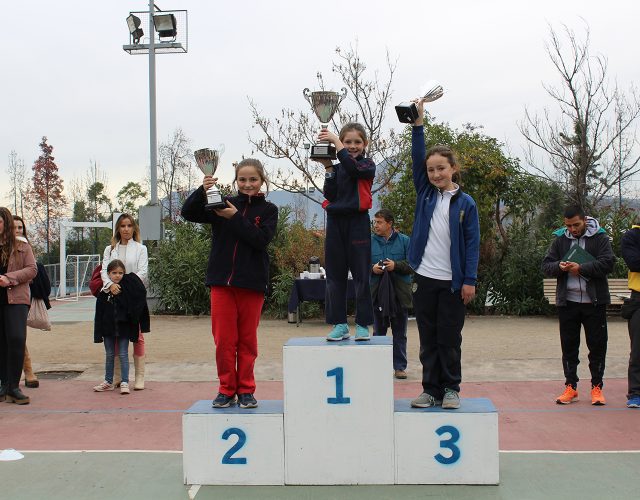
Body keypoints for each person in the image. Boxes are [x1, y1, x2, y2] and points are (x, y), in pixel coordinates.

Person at [181, 158, 278, 409]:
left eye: (253, 179)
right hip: (221, 283)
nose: (248, 184)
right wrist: (203, 189)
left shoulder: (268, 210)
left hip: (252, 284)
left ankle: (246, 390)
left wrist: (234, 217)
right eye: (242, 179)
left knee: (247, 341)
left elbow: (259, 240)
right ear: (236, 181)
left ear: (262, 181)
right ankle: (226, 389)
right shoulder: (221, 204)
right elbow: (188, 213)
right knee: (224, 341)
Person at [408, 99, 480, 410]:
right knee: (428, 340)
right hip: (425, 277)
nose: (436, 174)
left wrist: (469, 280)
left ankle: (451, 389)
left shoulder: (466, 204)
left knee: (449, 339)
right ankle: (430, 390)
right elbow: (416, 158)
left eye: (442, 168)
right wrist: (418, 126)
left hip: (453, 282)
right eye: (431, 170)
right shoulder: (425, 194)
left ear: (453, 169)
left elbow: (473, 244)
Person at [541, 205, 614, 405]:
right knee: (569, 347)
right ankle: (570, 387)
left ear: (585, 220)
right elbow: (546, 265)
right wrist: (559, 267)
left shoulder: (599, 238)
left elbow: (608, 263)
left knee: (597, 347)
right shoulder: (560, 240)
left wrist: (582, 268)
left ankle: (596, 388)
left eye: (576, 225)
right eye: (569, 226)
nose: (573, 229)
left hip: (594, 303)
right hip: (568, 303)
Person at [316, 123, 376, 341]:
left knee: (361, 275)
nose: (352, 146)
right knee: (334, 276)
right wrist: (328, 168)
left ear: (365, 144)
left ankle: (362, 325)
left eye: (357, 142)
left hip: (358, 222)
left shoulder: (367, 165)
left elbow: (353, 168)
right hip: (335, 222)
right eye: (347, 141)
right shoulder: (339, 167)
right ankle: (339, 324)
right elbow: (330, 195)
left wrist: (336, 142)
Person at [101, 213, 149, 390]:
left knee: (137, 336)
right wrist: (110, 285)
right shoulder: (109, 249)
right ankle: (117, 376)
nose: (126, 229)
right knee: (115, 332)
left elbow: (142, 272)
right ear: (118, 229)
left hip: (133, 296)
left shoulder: (140, 249)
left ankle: (139, 376)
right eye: (122, 226)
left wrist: (124, 287)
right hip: (113, 296)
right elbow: (104, 271)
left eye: (129, 226)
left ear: (134, 228)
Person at [93, 259, 149, 395]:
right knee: (110, 355)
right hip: (108, 330)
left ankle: (125, 382)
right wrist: (98, 333)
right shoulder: (103, 294)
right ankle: (108, 381)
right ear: (108, 274)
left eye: (120, 273)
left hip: (124, 330)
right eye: (114, 273)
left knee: (123, 354)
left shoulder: (126, 291)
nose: (117, 275)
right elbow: (98, 315)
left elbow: (132, 311)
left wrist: (132, 328)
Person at [0, 207, 37, 404]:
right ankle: (4, 385)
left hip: (16, 299)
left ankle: (14, 386)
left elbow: (32, 270)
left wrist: (9, 278)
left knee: (16, 338)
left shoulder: (22, 245)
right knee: (1, 342)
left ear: (5, 223)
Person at [370, 209, 412, 379]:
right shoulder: (369, 242)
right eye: (375, 222)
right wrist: (371, 268)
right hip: (376, 293)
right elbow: (360, 264)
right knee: (378, 331)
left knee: (399, 332)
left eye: (379, 222)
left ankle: (399, 367)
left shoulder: (405, 241)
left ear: (389, 223)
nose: (376, 225)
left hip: (399, 293)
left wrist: (396, 265)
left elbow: (414, 264)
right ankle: (378, 366)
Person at [14, 215, 51, 389]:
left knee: (17, 336)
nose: (17, 231)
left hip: (20, 298)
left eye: (20, 227)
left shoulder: (26, 248)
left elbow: (31, 272)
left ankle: (27, 370)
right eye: (13, 227)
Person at [619, 223, 640, 408]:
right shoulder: (632, 236)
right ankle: (635, 393)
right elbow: (634, 263)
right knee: (638, 350)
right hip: (638, 298)